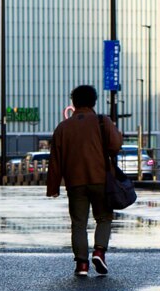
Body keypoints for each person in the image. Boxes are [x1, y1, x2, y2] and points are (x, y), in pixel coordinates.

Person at [47, 84, 122, 277]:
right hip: (100, 178)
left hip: (75, 182)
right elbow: (115, 146)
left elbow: (55, 159)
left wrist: (53, 187)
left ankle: (81, 264)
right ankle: (99, 252)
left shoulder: (63, 127)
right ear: (94, 101)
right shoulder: (101, 121)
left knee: (78, 223)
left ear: (74, 102)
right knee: (104, 218)